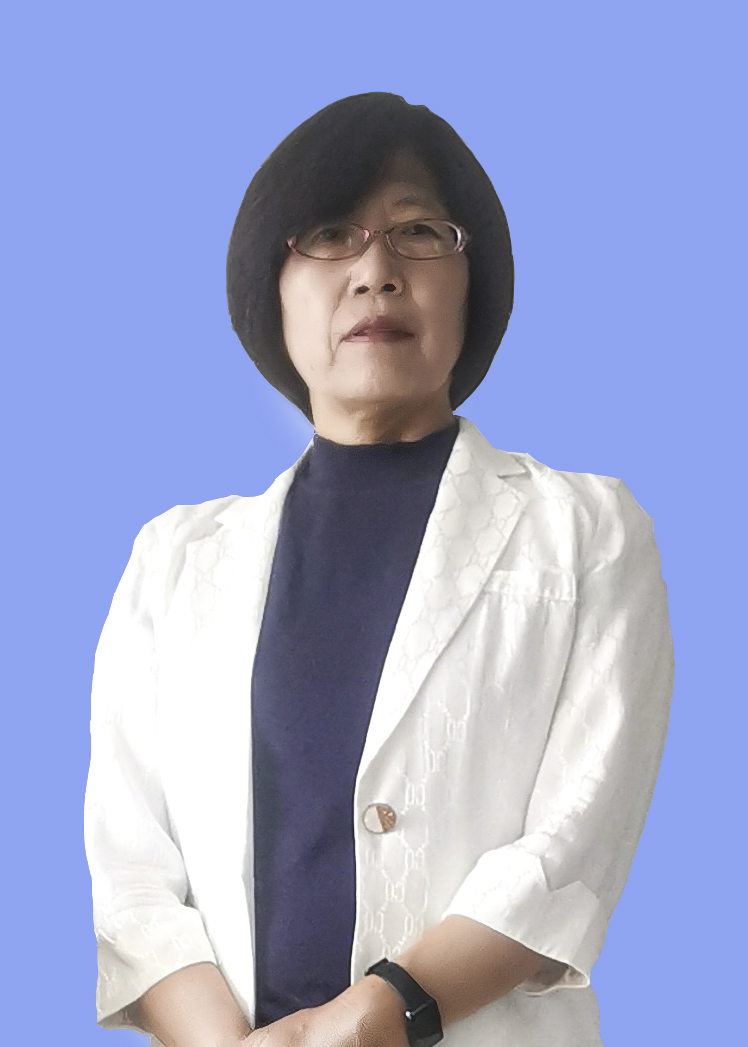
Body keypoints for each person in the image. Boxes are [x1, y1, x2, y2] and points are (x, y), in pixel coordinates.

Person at [84, 92, 674, 1047]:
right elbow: (132, 869)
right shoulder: (172, 560)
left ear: (474, 284)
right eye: (329, 235)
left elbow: (575, 842)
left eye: (419, 233)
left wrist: (380, 1013)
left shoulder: (587, 531)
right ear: (271, 290)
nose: (376, 271)